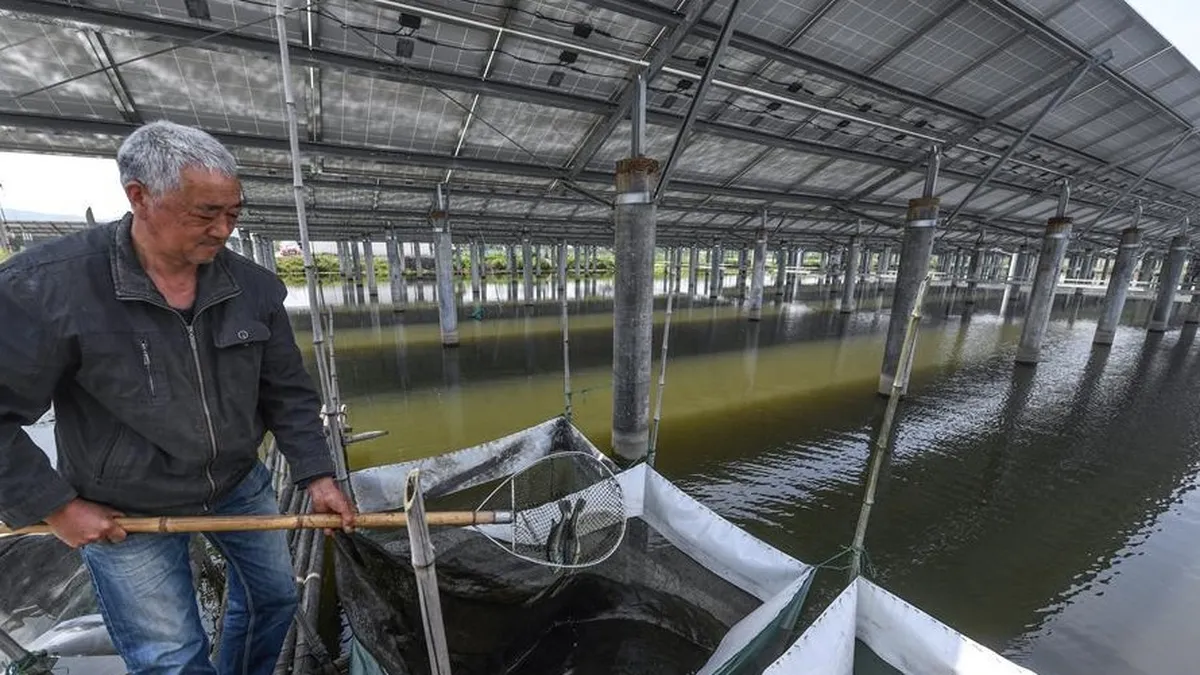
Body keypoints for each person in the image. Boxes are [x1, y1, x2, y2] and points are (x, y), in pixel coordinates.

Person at [0, 120, 356, 675]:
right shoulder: (47, 288)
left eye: (233, 214)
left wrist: (317, 474)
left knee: (275, 601)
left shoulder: (253, 288)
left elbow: (287, 391)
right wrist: (57, 506)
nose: (221, 230)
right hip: (126, 503)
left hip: (238, 482)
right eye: (203, 214)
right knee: (171, 656)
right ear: (139, 196)